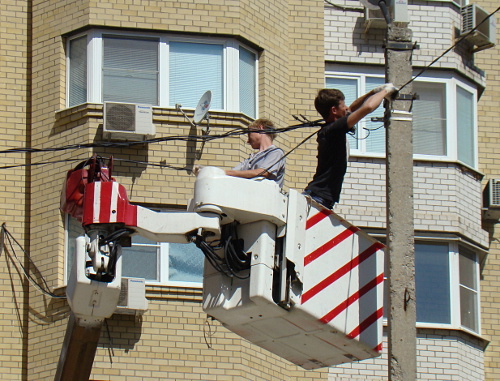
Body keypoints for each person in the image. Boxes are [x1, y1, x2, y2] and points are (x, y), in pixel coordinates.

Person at [303, 84, 398, 209]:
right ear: (334, 110)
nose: (347, 108)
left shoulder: (331, 128)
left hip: (320, 196)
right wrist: (386, 90)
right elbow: (368, 107)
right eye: (343, 105)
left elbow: (353, 108)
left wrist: (373, 92)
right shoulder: (334, 129)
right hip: (319, 197)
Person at [225, 118, 285, 187]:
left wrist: (225, 172)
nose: (248, 141)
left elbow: (263, 172)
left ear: (260, 128)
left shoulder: (276, 153)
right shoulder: (251, 159)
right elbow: (233, 172)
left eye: (249, 134)